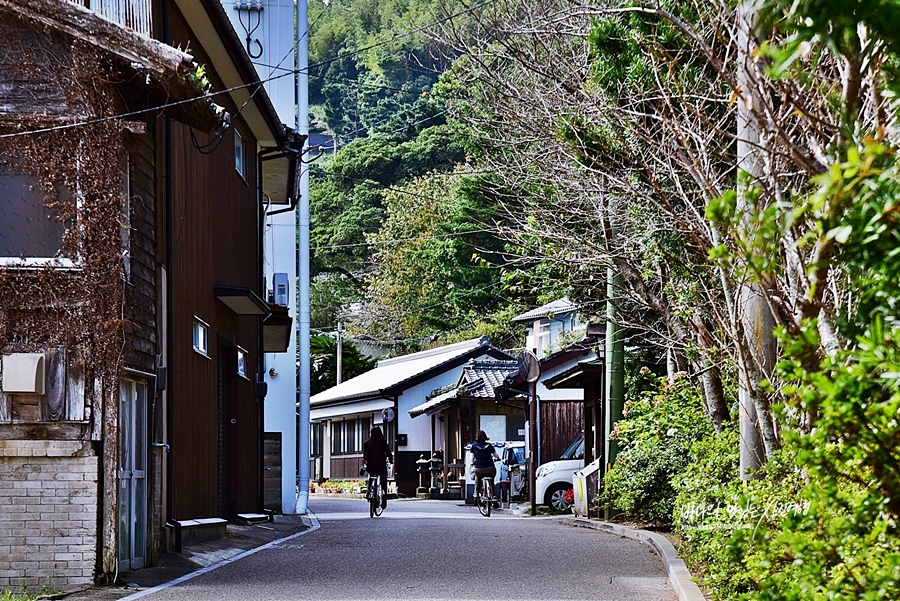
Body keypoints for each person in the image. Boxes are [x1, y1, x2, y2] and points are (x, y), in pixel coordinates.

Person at [363, 426, 393, 509]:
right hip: (381, 465)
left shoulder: (367, 443)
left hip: (371, 466)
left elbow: (365, 456)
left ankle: (369, 492)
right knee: (383, 481)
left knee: (371, 477)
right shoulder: (383, 443)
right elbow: (388, 453)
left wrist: (364, 464)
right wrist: (391, 461)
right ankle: (384, 496)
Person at [470, 430, 500, 501]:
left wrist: (472, 463)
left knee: (477, 476)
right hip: (490, 469)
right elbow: (496, 456)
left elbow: (471, 458)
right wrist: (497, 459)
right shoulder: (489, 446)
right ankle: (494, 496)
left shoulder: (474, 446)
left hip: (479, 469)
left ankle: (476, 492)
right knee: (491, 480)